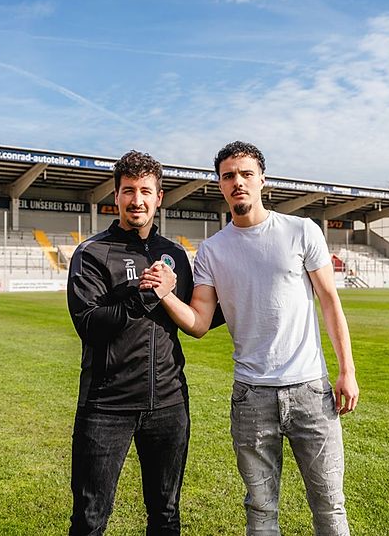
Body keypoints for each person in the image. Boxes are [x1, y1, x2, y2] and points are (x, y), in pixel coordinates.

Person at [141, 141, 359, 535]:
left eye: (246, 174)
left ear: (262, 180)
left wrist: (348, 371)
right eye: (228, 176)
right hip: (251, 398)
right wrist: (166, 295)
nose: (237, 182)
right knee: (260, 510)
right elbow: (199, 323)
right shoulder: (212, 251)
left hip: (311, 390)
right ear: (220, 186)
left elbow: (330, 302)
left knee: (330, 506)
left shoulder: (301, 231)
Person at [66, 150, 195, 536]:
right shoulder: (92, 253)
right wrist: (145, 294)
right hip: (107, 406)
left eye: (145, 191)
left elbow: (194, 314)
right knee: (90, 519)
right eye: (128, 191)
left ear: (159, 197)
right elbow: (89, 325)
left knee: (166, 514)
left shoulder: (175, 254)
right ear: (116, 196)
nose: (137, 200)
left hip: (169, 403)